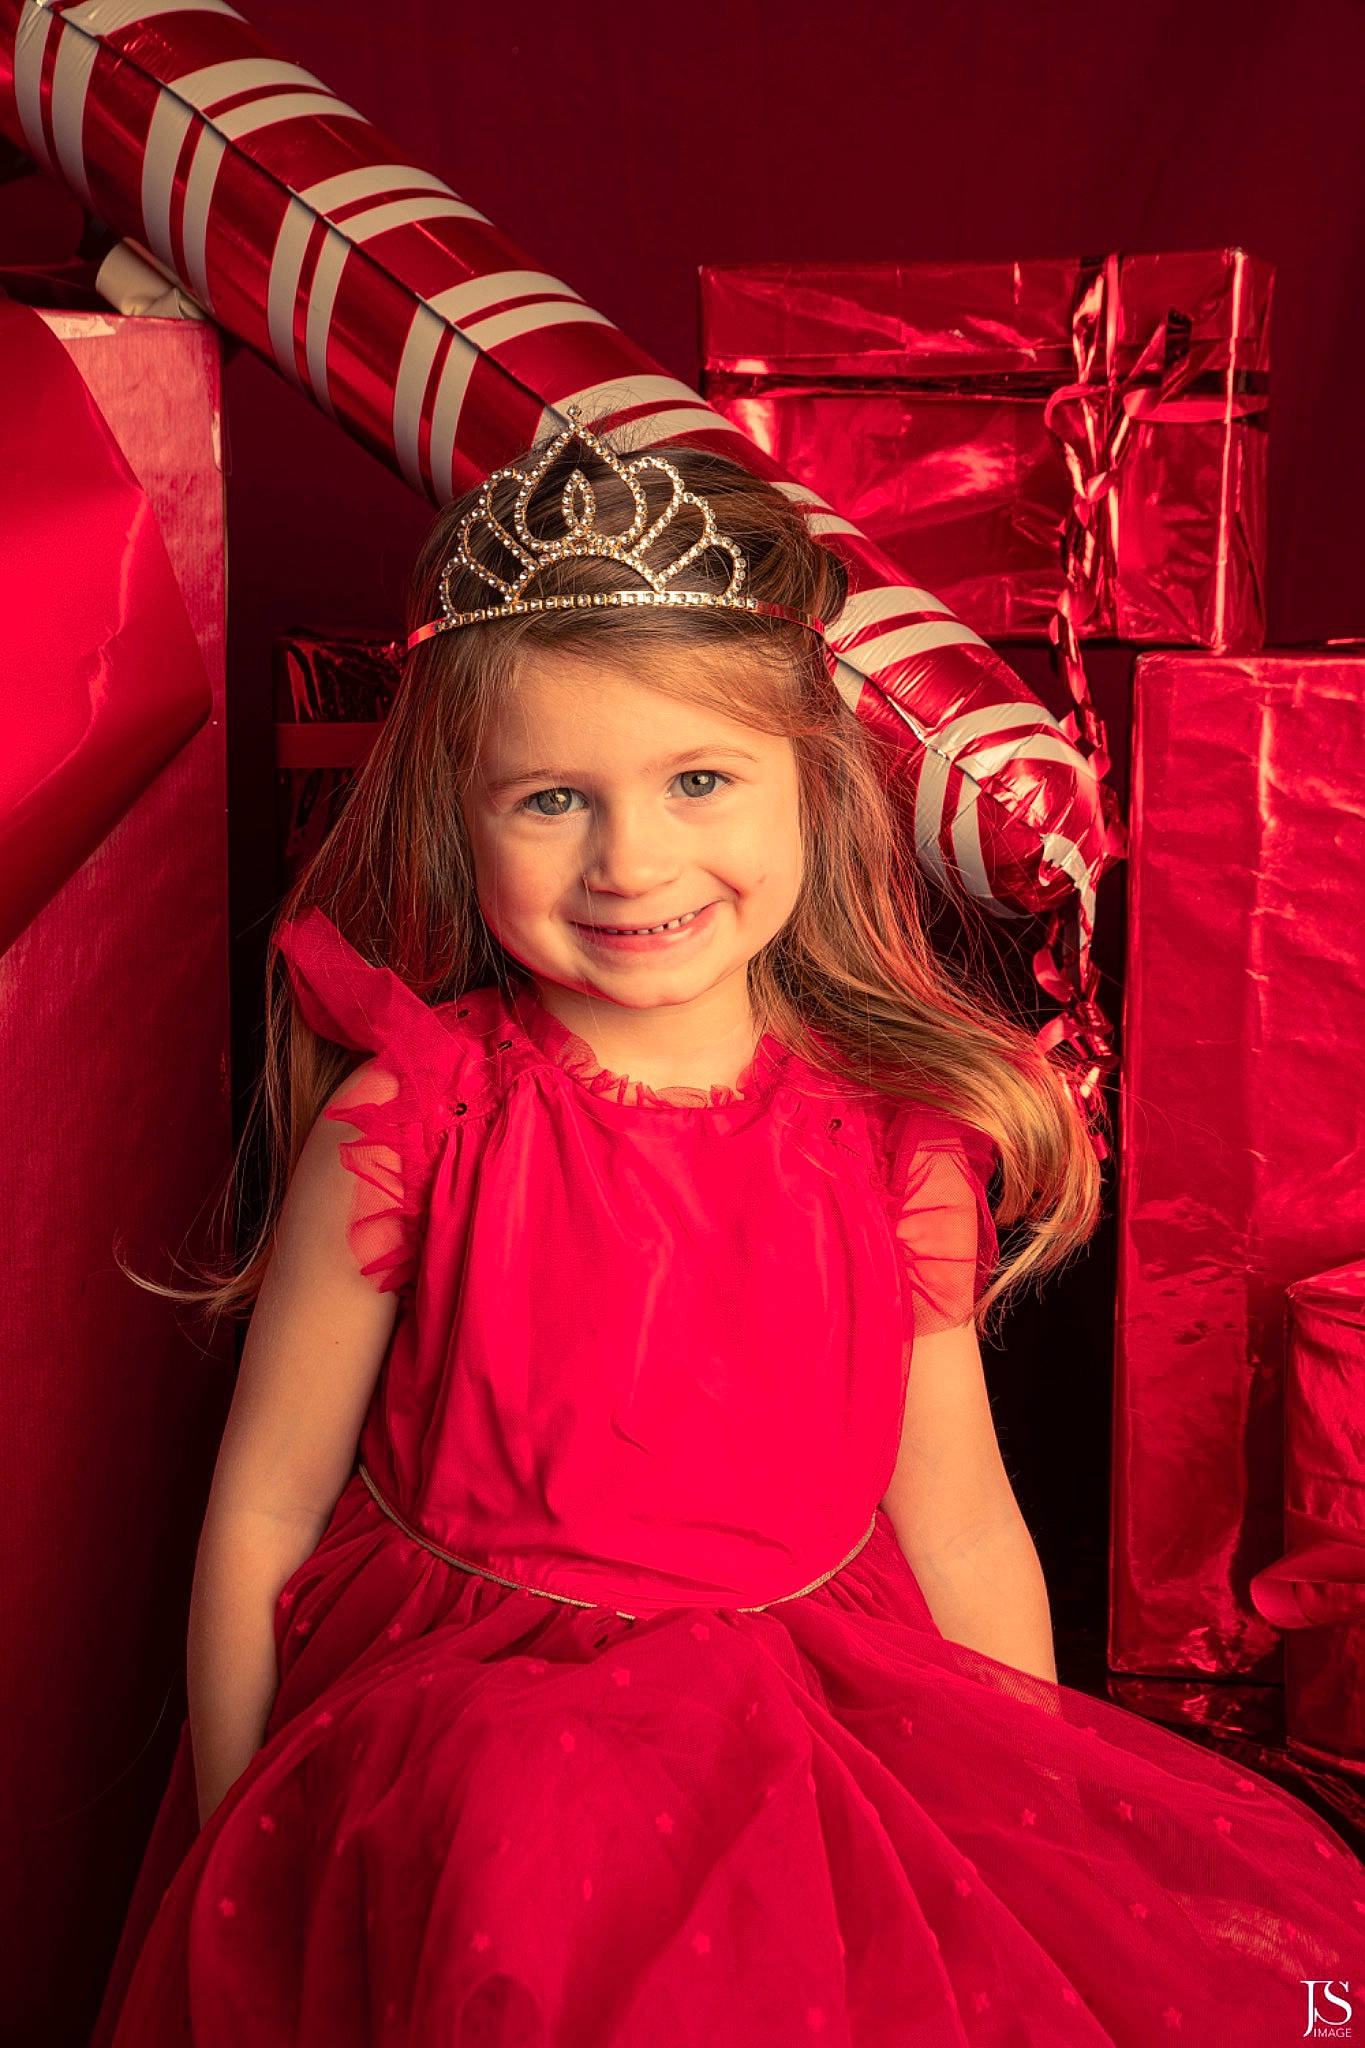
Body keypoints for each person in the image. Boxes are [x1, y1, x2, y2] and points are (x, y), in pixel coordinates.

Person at [93, 411, 1362, 2047]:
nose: (632, 860)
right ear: (457, 811)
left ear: (810, 787)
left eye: (697, 778)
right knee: (524, 1871)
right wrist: (234, 1844)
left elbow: (962, 1523)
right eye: (552, 797)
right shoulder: (412, 1118)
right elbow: (262, 1509)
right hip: (471, 1729)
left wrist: (1022, 1823)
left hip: (814, 1719)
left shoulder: (892, 1144)